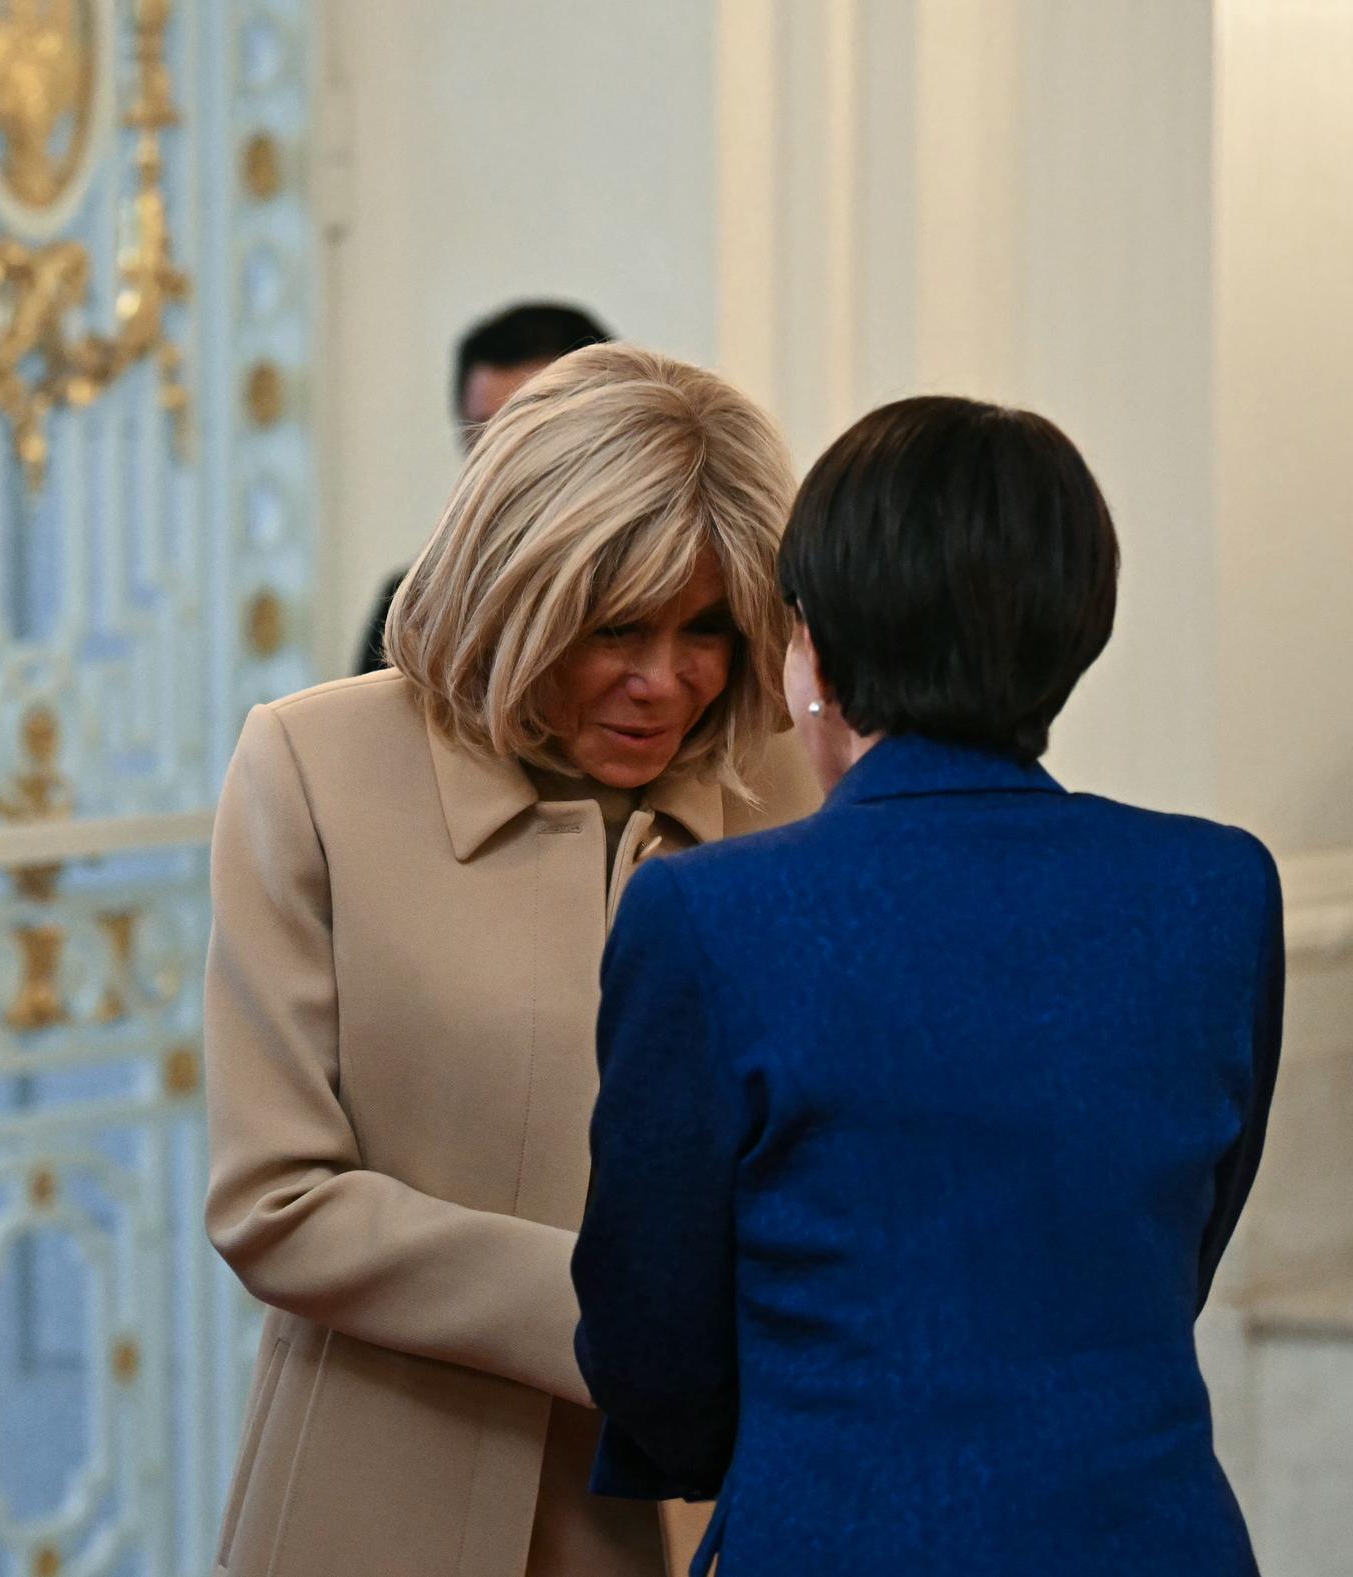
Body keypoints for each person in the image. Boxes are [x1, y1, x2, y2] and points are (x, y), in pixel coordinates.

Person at [571, 397, 1283, 1577]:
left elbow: (650, 1338)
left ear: (816, 652)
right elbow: (1174, 1250)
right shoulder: (1218, 889)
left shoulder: (710, 912)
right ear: (1076, 626)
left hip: (834, 1532)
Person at [205, 343, 818, 1577]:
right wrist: (625, 1308)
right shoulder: (313, 766)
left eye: (708, 629)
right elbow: (274, 1199)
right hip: (379, 1496)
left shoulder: (784, 786)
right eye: (616, 628)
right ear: (514, 591)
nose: (668, 681)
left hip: (713, 1506)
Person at [353, 300, 609, 674]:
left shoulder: (680, 579)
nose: (499, 460)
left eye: (530, 429)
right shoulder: (416, 608)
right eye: (482, 435)